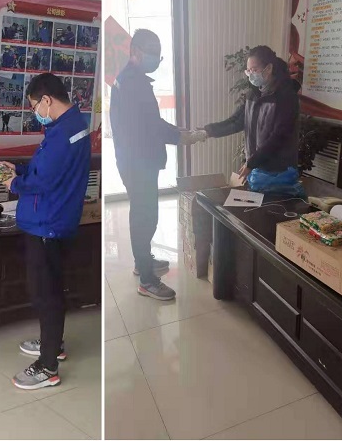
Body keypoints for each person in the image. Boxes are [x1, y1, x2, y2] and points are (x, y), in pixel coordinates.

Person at [0, 73, 91, 390]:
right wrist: (20, 170)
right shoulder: (70, 125)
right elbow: (49, 170)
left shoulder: (64, 133)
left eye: (34, 106)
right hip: (53, 219)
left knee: (46, 292)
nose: (35, 112)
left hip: (48, 223)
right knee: (48, 286)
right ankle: (54, 342)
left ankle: (48, 365)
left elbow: (45, 181)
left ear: (47, 100)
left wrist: (14, 183)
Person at [110, 29, 196, 301]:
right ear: (135, 51)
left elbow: (150, 121)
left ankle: (142, 261)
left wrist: (176, 131)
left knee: (143, 212)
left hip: (135, 159)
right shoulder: (132, 83)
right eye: (152, 53)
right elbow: (149, 126)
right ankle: (147, 281)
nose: (156, 59)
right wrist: (180, 137)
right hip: (137, 161)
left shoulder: (131, 79)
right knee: (145, 216)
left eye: (158, 54)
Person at [198, 45, 300, 182]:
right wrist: (207, 131)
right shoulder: (253, 94)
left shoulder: (286, 97)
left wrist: (252, 162)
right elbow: (236, 122)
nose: (251, 74)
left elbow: (278, 136)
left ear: (268, 68)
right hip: (258, 167)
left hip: (279, 171)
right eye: (248, 71)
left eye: (254, 70)